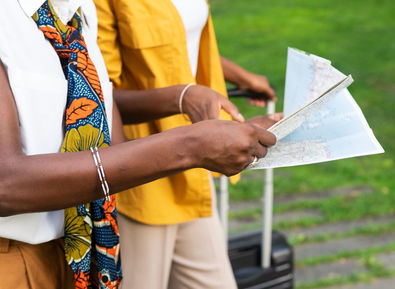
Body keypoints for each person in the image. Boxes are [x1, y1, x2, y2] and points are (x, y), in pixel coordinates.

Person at [0, 1, 276, 288]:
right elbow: (5, 183)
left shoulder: (77, 12)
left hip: (79, 252)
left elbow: (110, 135)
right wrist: (191, 145)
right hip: (13, 260)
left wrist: (227, 131)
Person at [95, 0, 277, 288]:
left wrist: (242, 77)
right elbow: (98, 95)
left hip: (193, 170)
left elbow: (178, 42)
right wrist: (183, 97)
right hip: (142, 177)